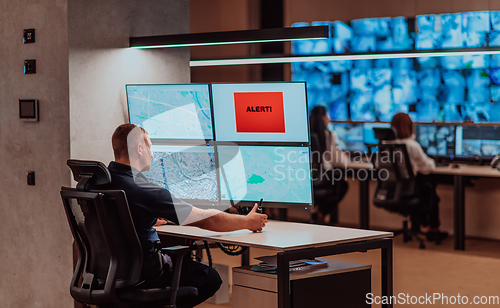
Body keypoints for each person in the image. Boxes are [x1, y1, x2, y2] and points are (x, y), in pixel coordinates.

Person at [102, 124, 268, 308]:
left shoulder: (97, 183)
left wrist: (142, 219)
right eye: (150, 146)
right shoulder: (145, 191)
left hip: (107, 273)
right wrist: (247, 222)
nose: (152, 153)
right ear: (139, 149)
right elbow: (207, 220)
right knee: (209, 277)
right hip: (145, 274)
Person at [389, 113, 448, 241]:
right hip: (409, 190)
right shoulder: (411, 145)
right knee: (430, 193)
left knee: (426, 191)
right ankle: (432, 228)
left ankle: (427, 227)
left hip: (392, 190)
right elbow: (428, 167)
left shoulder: (387, 145)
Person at [309, 106, 349, 224]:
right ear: (324, 117)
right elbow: (339, 161)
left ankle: (319, 215)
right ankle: (320, 215)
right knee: (342, 185)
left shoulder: (306, 135)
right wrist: (345, 157)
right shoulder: (328, 135)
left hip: (307, 179)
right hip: (324, 179)